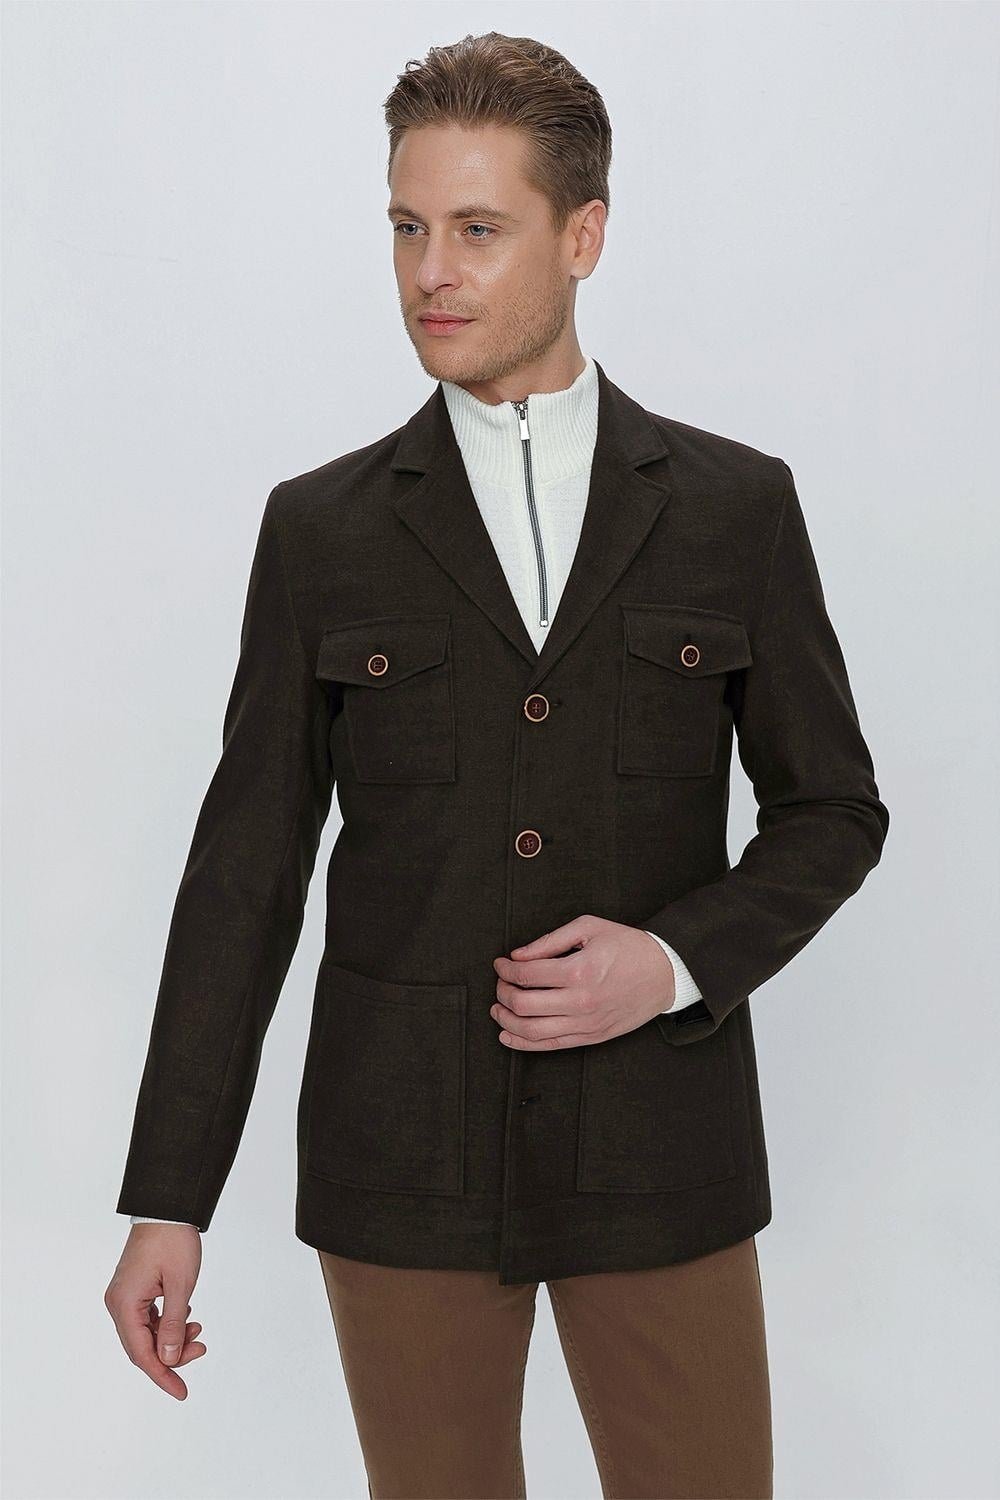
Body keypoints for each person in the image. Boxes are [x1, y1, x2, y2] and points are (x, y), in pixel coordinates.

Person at [105, 31, 889, 1499]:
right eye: (406, 227)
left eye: (476, 229)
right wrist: (169, 1196)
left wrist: (672, 962)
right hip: (401, 1153)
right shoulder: (320, 530)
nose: (430, 273)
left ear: (582, 236)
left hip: (660, 1145)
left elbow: (834, 810)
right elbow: (245, 873)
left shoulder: (735, 507)